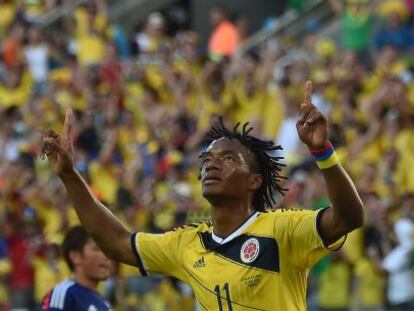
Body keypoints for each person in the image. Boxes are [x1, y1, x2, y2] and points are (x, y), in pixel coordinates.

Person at [40, 81, 364, 310]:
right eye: (207, 159)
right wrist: (70, 175)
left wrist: (322, 152)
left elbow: (350, 218)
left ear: (254, 180)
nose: (211, 165)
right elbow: (115, 242)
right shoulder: (187, 245)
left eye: (227, 159)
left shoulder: (282, 231)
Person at [41, 226, 112, 310]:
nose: (107, 256)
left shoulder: (104, 303)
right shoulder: (65, 292)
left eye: (108, 250)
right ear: (75, 256)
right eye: (97, 249)